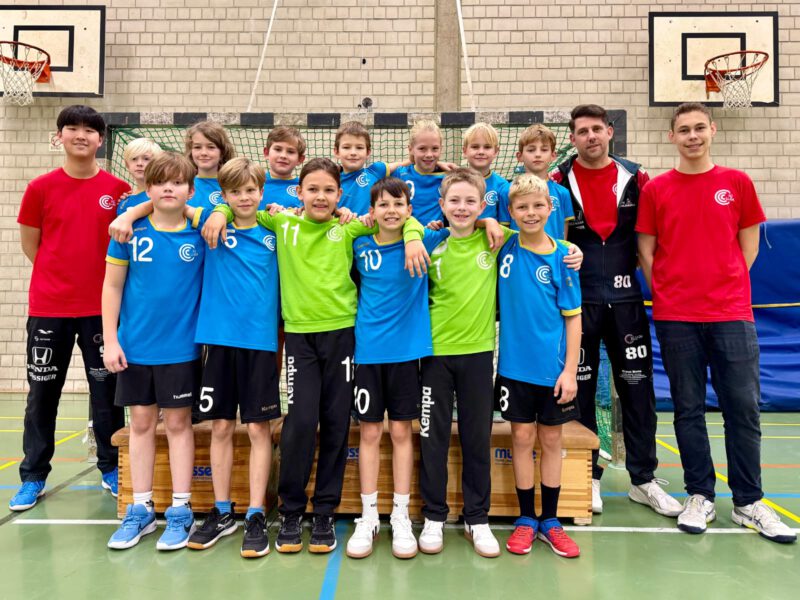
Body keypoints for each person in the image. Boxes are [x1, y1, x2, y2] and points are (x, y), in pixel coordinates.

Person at [202, 158, 429, 555]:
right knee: (301, 421)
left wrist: (412, 235)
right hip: (300, 338)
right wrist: (220, 210)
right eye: (313, 189)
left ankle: (324, 511)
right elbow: (241, 207)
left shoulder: (351, 227)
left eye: (328, 190)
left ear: (340, 195)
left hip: (343, 336)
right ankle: (291, 511)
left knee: (337, 423)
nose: (320, 197)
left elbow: (400, 219)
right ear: (299, 193)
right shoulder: (282, 222)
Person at [637, 102, 796, 544]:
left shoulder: (736, 182)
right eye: (684, 129)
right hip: (676, 316)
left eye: (699, 128)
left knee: (742, 408)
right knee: (688, 409)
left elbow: (749, 246)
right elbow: (646, 250)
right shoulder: (657, 190)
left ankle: (748, 501)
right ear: (672, 137)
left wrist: (725, 284)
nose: (692, 136)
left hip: (730, 314)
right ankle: (700, 495)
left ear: (713, 130)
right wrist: (668, 292)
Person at [552, 104, 682, 517]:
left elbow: (655, 235)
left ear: (609, 131)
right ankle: (586, 476)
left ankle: (643, 479)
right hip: (579, 303)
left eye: (597, 129)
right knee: (579, 392)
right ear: (572, 138)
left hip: (627, 303)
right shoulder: (558, 180)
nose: (590, 136)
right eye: (582, 131)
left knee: (638, 391)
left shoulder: (636, 177)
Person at [11, 105, 127, 512]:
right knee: (42, 395)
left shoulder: (118, 190)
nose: (81, 135)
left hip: (101, 311)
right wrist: (57, 278)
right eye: (72, 128)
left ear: (101, 139)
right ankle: (33, 476)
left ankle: (112, 467)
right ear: (59, 136)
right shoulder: (40, 188)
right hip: (50, 308)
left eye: (89, 130)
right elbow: (32, 245)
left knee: (107, 395)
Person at [104, 152, 204, 551]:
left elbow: (220, 216)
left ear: (191, 191)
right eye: (160, 182)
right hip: (135, 347)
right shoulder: (129, 232)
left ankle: (181, 509)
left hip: (181, 349)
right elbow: (112, 286)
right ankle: (141, 508)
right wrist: (111, 339)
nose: (168, 188)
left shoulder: (200, 231)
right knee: (141, 424)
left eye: (177, 183)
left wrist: (200, 214)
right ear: (148, 189)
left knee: (178, 425)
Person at [345, 177, 449, 560]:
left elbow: (467, 224)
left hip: (407, 355)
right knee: (370, 432)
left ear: (409, 210)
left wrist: (416, 233)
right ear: (372, 211)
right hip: (368, 353)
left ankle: (401, 514)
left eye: (398, 204)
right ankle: (369, 514)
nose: (391, 210)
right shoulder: (358, 244)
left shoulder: (425, 241)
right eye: (383, 204)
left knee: (403, 432)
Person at [186, 157, 281, 557]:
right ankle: (223, 510)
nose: (244, 197)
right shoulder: (211, 226)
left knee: (259, 429)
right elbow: (164, 203)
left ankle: (256, 513)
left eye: (250, 190)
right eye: (235, 192)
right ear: (223, 195)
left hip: (260, 343)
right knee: (221, 426)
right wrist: (217, 213)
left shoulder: (276, 230)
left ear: (261, 192)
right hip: (219, 341)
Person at [498, 174, 582, 558]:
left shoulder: (564, 256)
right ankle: (526, 518)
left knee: (551, 441)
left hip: (553, 370)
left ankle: (550, 520)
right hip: (514, 368)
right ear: (511, 211)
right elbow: (474, 221)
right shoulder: (502, 244)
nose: (530, 213)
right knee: (520, 438)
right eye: (522, 207)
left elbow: (573, 318)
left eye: (537, 206)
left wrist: (570, 372)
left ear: (551, 208)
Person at [499, 124, 574, 240]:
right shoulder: (507, 191)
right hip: (519, 251)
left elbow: (563, 236)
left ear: (553, 155)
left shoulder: (563, 193)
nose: (538, 154)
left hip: (553, 252)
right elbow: (504, 232)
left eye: (544, 150)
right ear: (520, 156)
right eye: (531, 150)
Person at [333, 121, 408, 215]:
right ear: (336, 152)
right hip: (343, 224)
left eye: (359, 148)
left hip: (371, 224)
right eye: (346, 147)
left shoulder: (376, 171)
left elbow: (404, 164)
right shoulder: (332, 181)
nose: (353, 152)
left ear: (368, 152)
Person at [392, 120, 448, 225]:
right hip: (406, 233)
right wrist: (407, 162)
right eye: (422, 148)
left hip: (435, 233)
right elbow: (375, 171)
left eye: (435, 148)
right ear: (411, 149)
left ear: (441, 149)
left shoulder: (447, 178)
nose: (429, 154)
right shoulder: (400, 174)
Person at [184, 120, 236, 211]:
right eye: (197, 147)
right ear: (190, 151)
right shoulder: (183, 184)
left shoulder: (234, 184)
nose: (203, 153)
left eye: (211, 147)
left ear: (222, 152)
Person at [461, 122, 504, 220]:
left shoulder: (502, 186)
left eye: (487, 147)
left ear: (496, 151)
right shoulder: (454, 182)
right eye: (475, 147)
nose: (481, 152)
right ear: (465, 151)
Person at [260, 125, 306, 209]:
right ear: (266, 153)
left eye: (290, 152)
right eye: (278, 149)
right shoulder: (255, 183)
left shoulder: (305, 188)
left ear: (300, 159)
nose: (283, 156)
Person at [117, 138, 162, 214]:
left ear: (158, 163)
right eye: (134, 159)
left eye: (146, 159)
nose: (139, 163)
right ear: (127, 164)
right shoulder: (125, 201)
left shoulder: (166, 195)